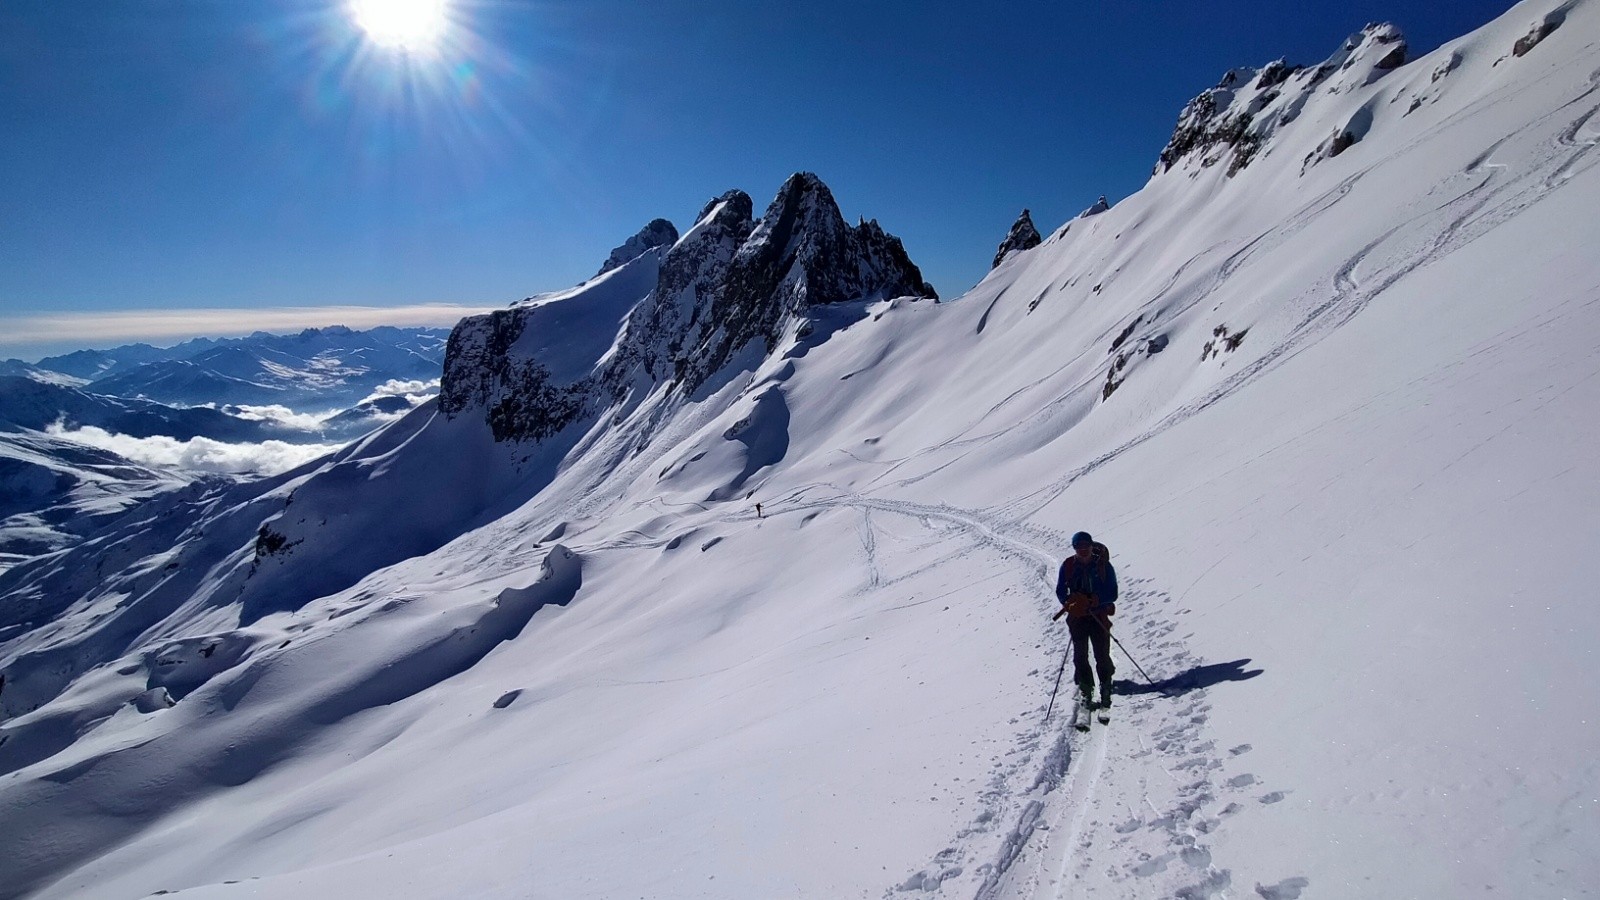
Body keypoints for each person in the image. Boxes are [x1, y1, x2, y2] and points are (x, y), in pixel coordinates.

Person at [1055, 531, 1118, 709]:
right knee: (1080, 656)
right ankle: (1086, 688)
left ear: (1091, 546)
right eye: (1079, 547)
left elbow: (1112, 593)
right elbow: (1060, 590)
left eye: (1085, 546)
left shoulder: (1104, 566)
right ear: (1075, 548)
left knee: (1102, 654)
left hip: (1098, 615)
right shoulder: (1068, 565)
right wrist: (1068, 602)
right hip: (1078, 618)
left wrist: (1093, 600)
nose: (1083, 550)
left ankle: (1105, 685)